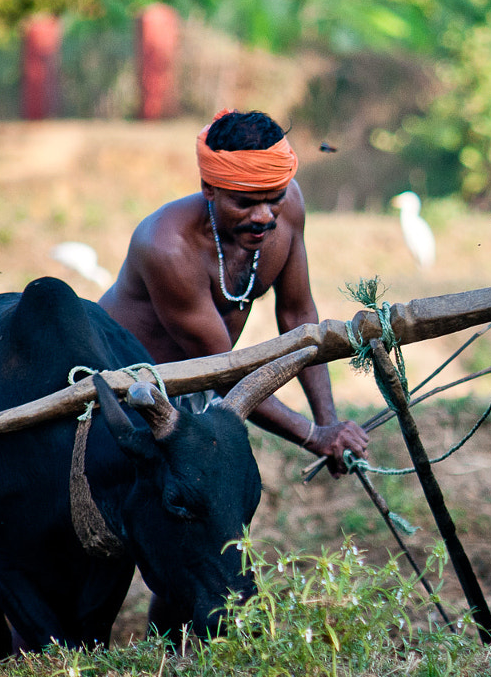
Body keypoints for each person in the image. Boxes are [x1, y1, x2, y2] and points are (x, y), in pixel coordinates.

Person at [100, 109, 368, 475]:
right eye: (244, 202)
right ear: (209, 189)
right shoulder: (167, 246)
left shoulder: (289, 208)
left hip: (207, 379)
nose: (264, 216)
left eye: (274, 197)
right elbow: (223, 371)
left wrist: (329, 422)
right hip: (129, 391)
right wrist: (313, 435)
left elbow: (297, 316)